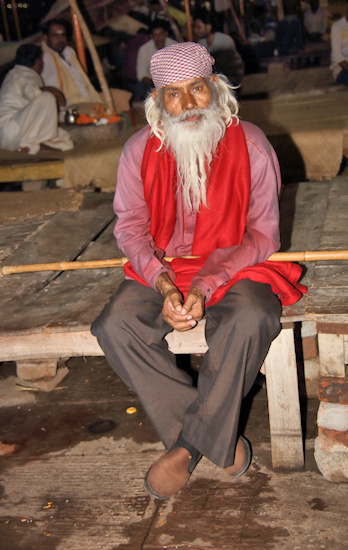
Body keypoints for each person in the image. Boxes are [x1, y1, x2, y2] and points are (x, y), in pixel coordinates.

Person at [91, 42, 306, 500]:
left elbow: (264, 234)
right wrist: (163, 282)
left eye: (196, 89)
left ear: (216, 88)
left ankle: (189, 447)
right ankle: (218, 440)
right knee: (114, 325)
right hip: (164, 267)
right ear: (157, 101)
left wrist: (208, 283)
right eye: (173, 94)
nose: (187, 105)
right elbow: (130, 227)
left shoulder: (251, 144)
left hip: (235, 265)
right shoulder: (137, 150)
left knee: (253, 317)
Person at [0, 44, 73, 155]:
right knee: (47, 98)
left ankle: (31, 145)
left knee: (66, 142)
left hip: (13, 132)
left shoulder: (16, 73)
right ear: (37, 61)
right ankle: (29, 146)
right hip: (11, 132)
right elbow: (34, 94)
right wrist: (51, 91)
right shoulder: (24, 74)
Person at [41, 18, 101, 106]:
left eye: (63, 35)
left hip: (88, 100)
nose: (60, 39)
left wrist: (97, 100)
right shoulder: (45, 59)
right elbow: (55, 91)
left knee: (120, 97)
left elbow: (84, 81)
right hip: (72, 106)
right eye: (55, 35)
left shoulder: (69, 52)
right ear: (46, 38)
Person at [194, 12, 244, 84]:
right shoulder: (201, 43)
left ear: (209, 27)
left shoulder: (224, 40)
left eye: (199, 27)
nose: (196, 31)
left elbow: (232, 66)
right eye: (194, 27)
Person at [136, 20, 177, 93]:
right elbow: (141, 75)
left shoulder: (175, 46)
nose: (158, 38)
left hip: (172, 82)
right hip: (151, 84)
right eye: (155, 35)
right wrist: (156, 85)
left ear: (166, 34)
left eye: (161, 34)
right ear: (151, 36)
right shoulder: (144, 50)